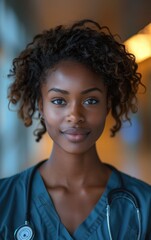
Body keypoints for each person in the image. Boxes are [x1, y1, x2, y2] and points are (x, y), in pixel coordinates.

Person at [0, 19, 151, 240]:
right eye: (59, 101)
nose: (75, 116)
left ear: (108, 104)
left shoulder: (144, 204)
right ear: (41, 105)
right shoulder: (5, 200)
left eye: (91, 100)